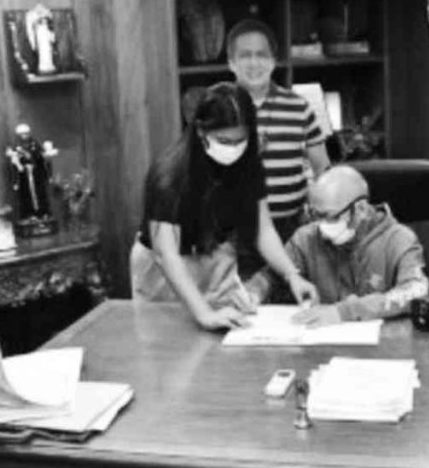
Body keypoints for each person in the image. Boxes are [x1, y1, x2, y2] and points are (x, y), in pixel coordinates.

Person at [130, 82, 319, 330]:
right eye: (223, 140)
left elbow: (263, 229)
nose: (233, 148)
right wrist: (203, 314)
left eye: (240, 139)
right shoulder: (170, 174)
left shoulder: (249, 164)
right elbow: (166, 254)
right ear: (200, 131)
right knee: (168, 345)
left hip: (216, 255)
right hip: (165, 271)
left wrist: (291, 274)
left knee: (227, 334)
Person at [245, 166, 429, 326]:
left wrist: (344, 312)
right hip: (319, 349)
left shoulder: (399, 239)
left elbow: (417, 291)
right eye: (314, 214)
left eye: (329, 216)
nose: (320, 224)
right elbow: (271, 276)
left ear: (361, 209)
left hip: (380, 350)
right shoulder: (306, 237)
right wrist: (253, 293)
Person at [226, 19, 330, 243]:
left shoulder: (299, 107)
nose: (254, 63)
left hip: (291, 228)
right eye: (245, 55)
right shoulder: (217, 109)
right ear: (231, 63)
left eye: (262, 55)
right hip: (236, 230)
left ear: (273, 61)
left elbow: (322, 168)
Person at [5, 123, 56, 222]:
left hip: (36, 173)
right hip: (24, 175)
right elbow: (14, 164)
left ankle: (43, 213)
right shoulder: (16, 146)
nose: (25, 136)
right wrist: (15, 180)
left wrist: (46, 170)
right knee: (25, 195)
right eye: (22, 134)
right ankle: (29, 214)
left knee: (40, 193)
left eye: (26, 134)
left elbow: (41, 157)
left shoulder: (35, 144)